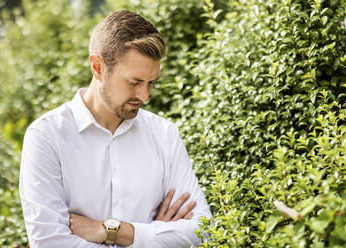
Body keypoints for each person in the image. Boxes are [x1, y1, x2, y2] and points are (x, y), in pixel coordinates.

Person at [19, 9, 211, 248]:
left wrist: (115, 231)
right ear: (97, 67)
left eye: (151, 83)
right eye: (134, 82)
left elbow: (202, 229)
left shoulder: (164, 135)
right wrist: (154, 238)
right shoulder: (46, 137)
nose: (145, 96)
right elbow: (50, 242)